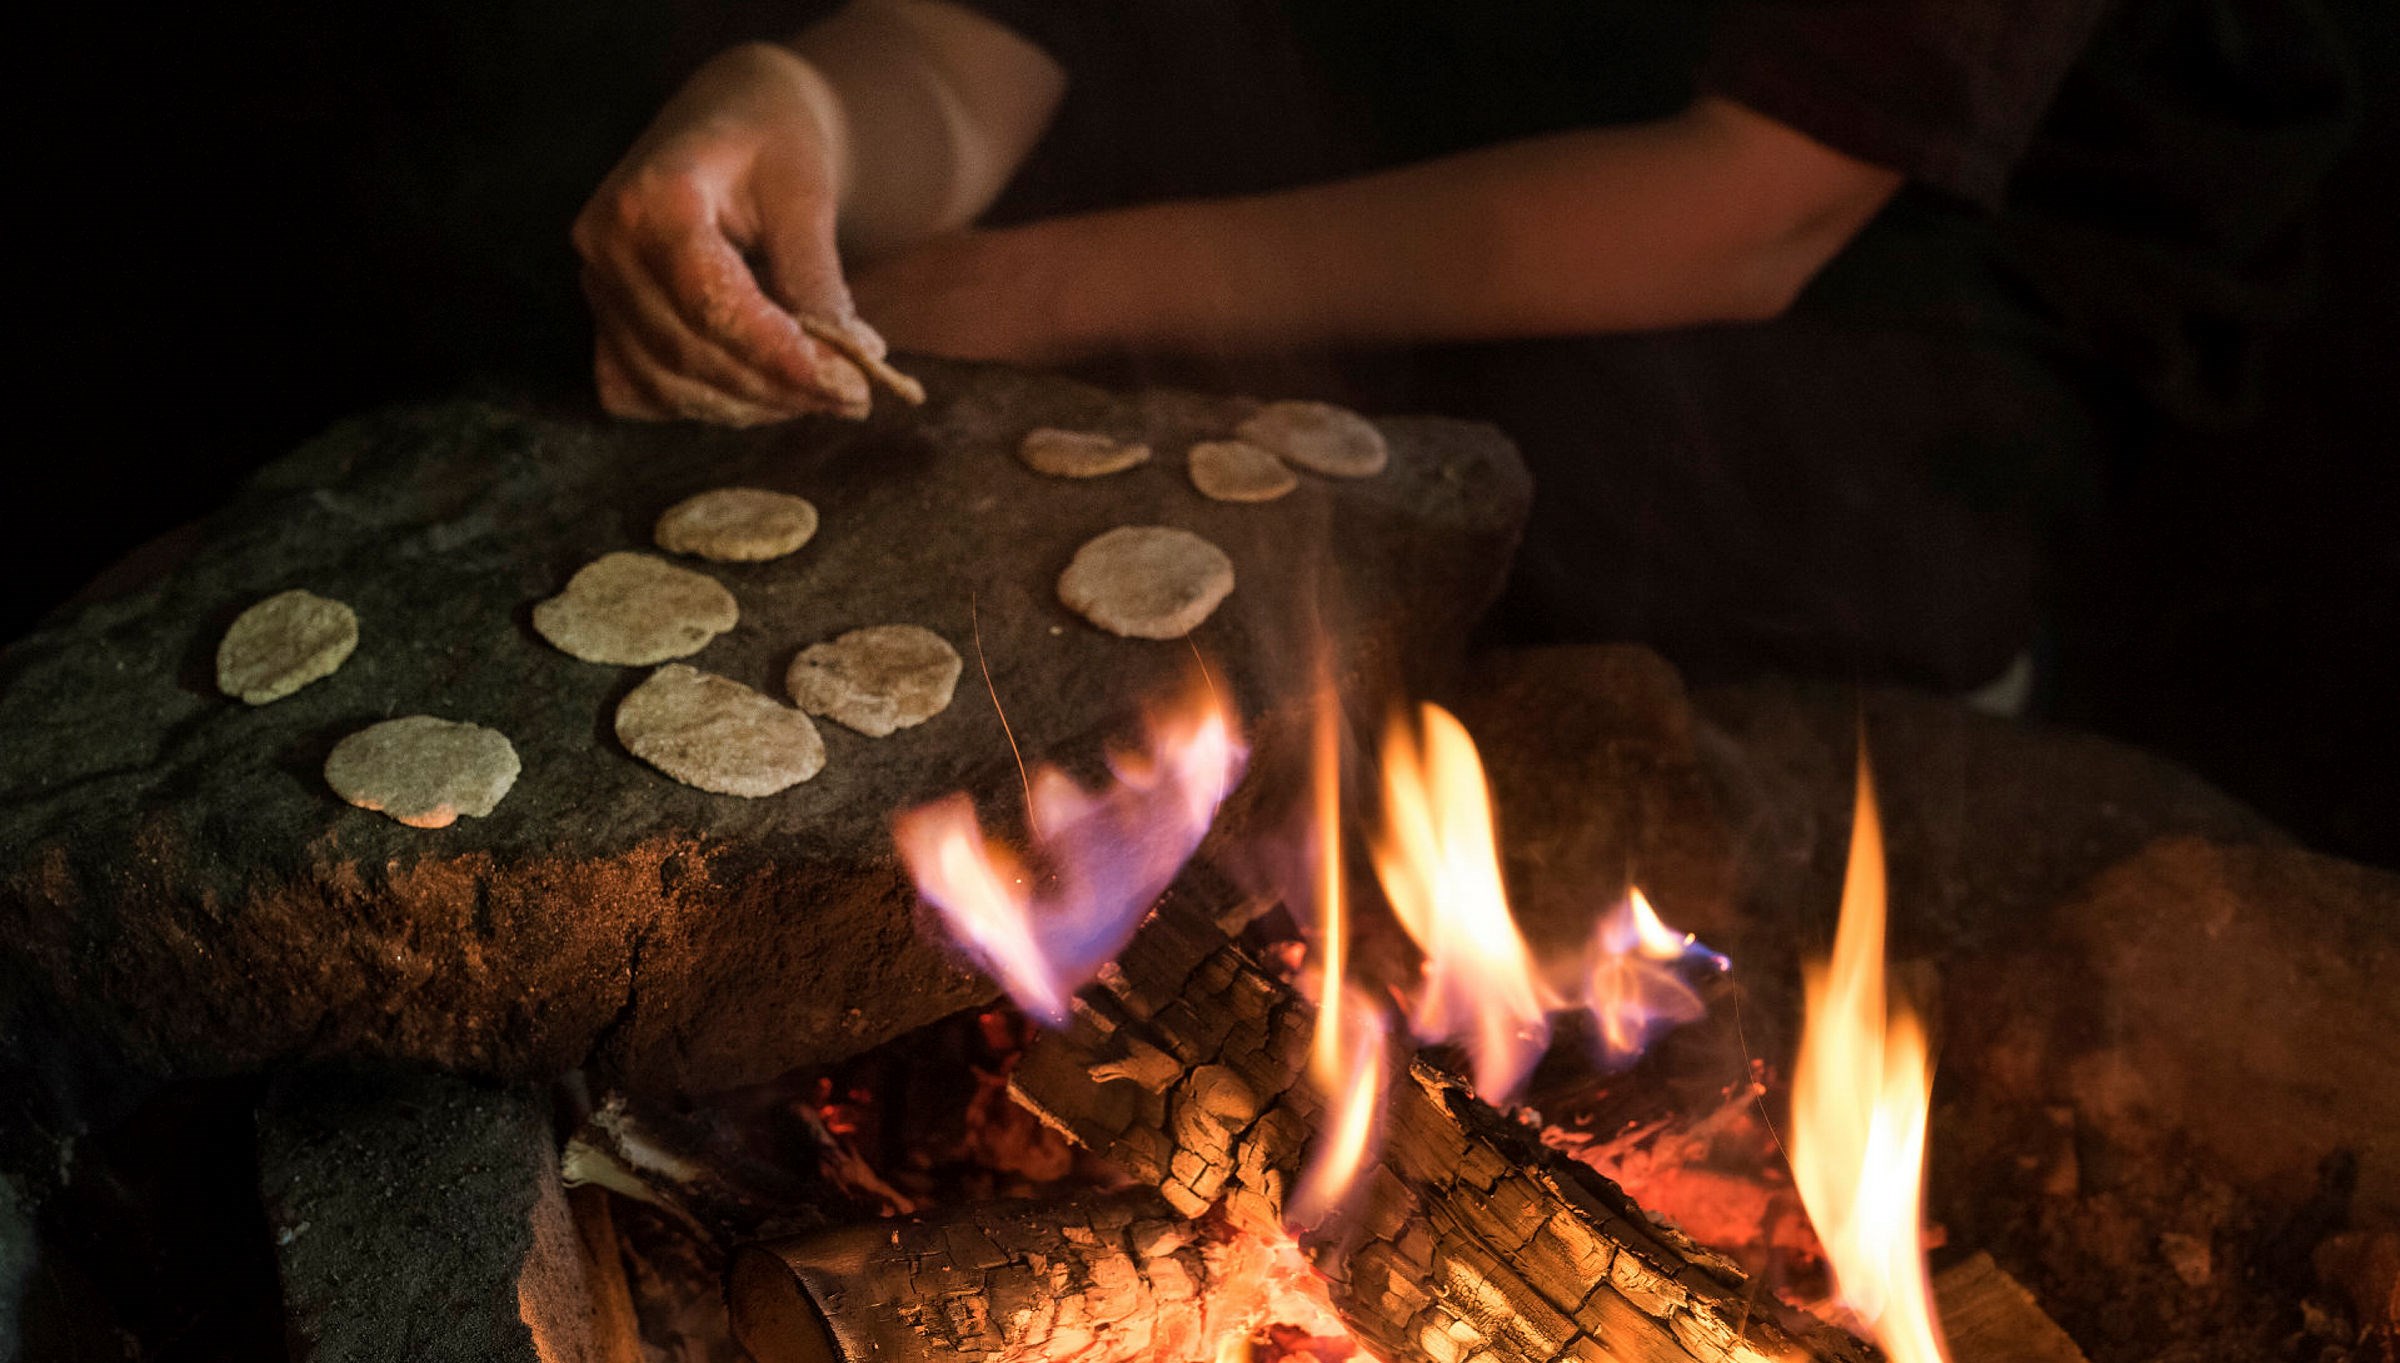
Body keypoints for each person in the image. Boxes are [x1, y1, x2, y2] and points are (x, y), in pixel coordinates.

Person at [573, 0, 2352, 693]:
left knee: (1585, 465)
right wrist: (792, 106)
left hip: (1885, 288)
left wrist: (1049, 289)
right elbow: (990, 47)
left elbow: (1755, 210)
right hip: (1400, 116)